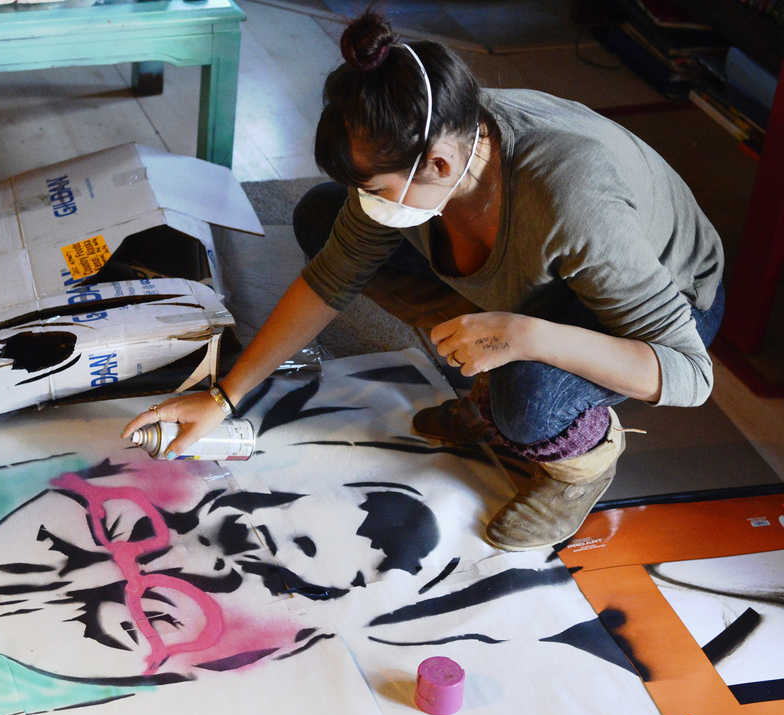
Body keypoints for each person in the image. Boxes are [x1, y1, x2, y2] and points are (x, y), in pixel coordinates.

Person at [124, 11, 725, 552]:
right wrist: (223, 397)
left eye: (378, 190)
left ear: (438, 164)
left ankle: (583, 462)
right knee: (320, 217)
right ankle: (494, 382)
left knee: (528, 398)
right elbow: (331, 278)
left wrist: (528, 337)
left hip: (667, 307)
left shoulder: (570, 199)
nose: (369, 205)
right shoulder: (430, 127)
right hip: (544, 282)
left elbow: (691, 374)